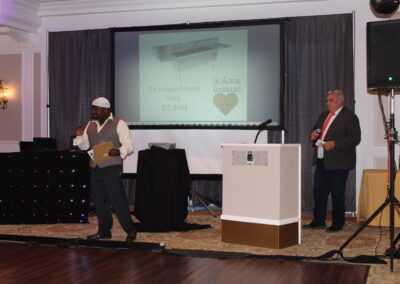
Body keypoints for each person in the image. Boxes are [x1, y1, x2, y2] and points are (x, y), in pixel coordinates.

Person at [75, 97, 137, 241]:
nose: (93, 111)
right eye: (93, 108)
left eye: (95, 109)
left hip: (111, 167)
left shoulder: (119, 123)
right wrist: (79, 136)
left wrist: (119, 150)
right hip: (95, 167)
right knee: (99, 201)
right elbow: (84, 146)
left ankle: (131, 230)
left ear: (105, 110)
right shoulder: (90, 124)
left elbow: (129, 145)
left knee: (117, 200)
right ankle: (104, 232)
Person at [303, 90, 361, 232]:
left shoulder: (350, 117)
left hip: (339, 162)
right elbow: (316, 130)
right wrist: (313, 134)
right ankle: (318, 221)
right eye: (327, 100)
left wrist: (335, 143)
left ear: (339, 102)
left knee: (337, 193)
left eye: (331, 100)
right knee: (319, 192)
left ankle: (337, 223)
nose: (327, 103)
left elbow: (355, 138)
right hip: (322, 160)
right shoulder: (324, 115)